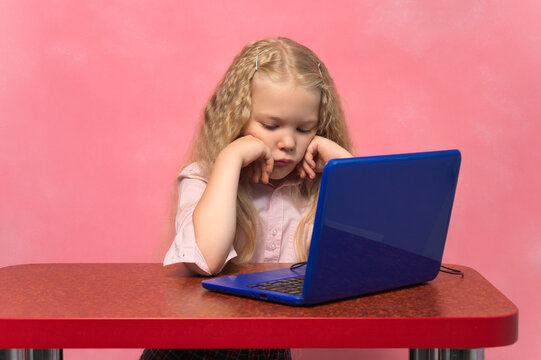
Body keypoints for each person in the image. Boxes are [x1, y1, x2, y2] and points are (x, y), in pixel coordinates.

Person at [141, 37, 354, 360]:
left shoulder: (315, 189)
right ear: (238, 118)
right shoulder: (202, 177)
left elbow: (363, 264)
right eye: (271, 125)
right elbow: (207, 258)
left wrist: (344, 168)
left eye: (304, 128)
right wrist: (230, 158)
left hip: (267, 351)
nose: (287, 142)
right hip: (188, 348)